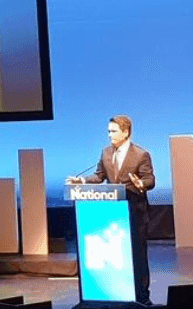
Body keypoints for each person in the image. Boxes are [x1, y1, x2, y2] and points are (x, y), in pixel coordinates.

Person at [67, 115, 155, 306]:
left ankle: (142, 298)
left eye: (113, 131)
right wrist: (81, 181)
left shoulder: (141, 154)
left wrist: (141, 184)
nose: (109, 135)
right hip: (112, 212)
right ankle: (114, 294)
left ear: (126, 132)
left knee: (138, 257)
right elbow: (99, 176)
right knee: (116, 255)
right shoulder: (106, 152)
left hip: (134, 213)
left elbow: (150, 180)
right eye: (108, 131)